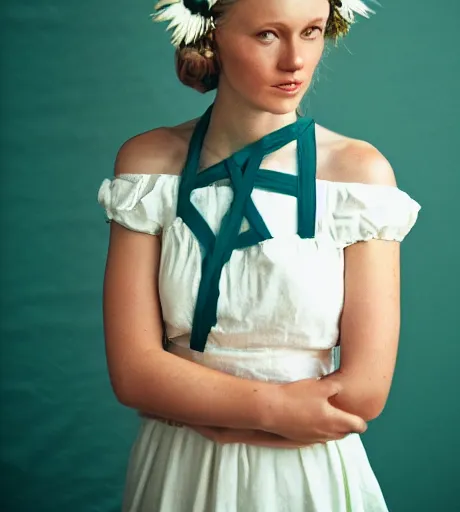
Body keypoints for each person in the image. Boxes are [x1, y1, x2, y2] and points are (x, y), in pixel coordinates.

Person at [97, 0, 421, 510]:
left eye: (311, 31)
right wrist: (269, 409)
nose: (296, 59)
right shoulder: (148, 166)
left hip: (307, 475)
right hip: (181, 468)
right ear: (212, 37)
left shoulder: (359, 175)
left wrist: (205, 410)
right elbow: (134, 372)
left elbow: (362, 395)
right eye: (268, 34)